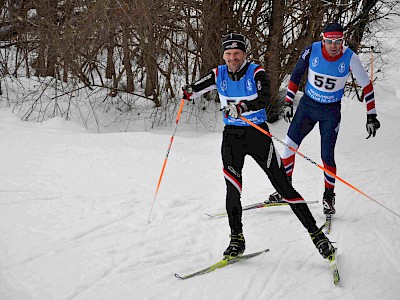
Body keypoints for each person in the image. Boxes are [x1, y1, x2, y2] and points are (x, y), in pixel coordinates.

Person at [182, 33, 334, 261]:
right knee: (232, 188)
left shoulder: (256, 72)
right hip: (232, 137)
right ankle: (236, 239)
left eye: (237, 53)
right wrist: (188, 91)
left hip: (258, 134)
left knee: (283, 187)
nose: (233, 58)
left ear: (244, 54)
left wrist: (242, 107)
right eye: (228, 54)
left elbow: (265, 97)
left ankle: (317, 235)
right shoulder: (218, 73)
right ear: (223, 55)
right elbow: (195, 88)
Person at [269, 22, 380, 216]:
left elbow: (367, 86)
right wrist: (288, 102)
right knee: (288, 146)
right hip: (308, 107)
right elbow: (296, 75)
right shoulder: (312, 50)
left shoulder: (349, 57)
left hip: (330, 112)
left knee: (327, 156)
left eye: (338, 41)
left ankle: (329, 197)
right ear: (323, 39)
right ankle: (285, 189)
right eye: (330, 41)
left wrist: (371, 115)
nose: (334, 45)